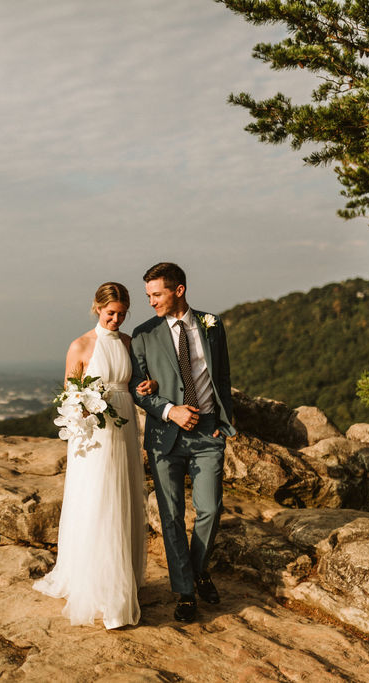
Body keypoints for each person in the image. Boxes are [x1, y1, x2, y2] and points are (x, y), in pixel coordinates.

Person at [34, 282, 153, 629]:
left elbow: (135, 384)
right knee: (99, 499)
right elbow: (70, 395)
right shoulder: (81, 345)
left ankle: (121, 580)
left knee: (124, 495)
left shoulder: (129, 343)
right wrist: (83, 413)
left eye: (121, 314)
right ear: (97, 308)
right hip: (94, 432)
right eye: (109, 313)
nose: (116, 319)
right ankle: (99, 588)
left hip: (125, 423)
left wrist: (147, 386)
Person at [128, 262, 235, 623]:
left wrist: (222, 422)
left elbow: (222, 375)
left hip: (208, 435)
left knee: (211, 510)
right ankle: (186, 592)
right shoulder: (143, 334)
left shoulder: (212, 324)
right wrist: (169, 409)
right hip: (165, 437)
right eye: (148, 295)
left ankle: (197, 568)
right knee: (171, 517)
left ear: (179, 290)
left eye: (156, 294)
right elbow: (136, 389)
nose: (151, 302)